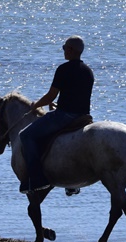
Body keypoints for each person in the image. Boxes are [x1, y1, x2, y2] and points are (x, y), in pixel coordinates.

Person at [19, 35, 95, 193]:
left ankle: (37, 178)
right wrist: (58, 104)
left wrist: (35, 105)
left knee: (26, 135)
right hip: (84, 116)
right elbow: (76, 95)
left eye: (64, 47)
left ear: (71, 50)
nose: (63, 51)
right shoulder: (88, 71)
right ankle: (72, 183)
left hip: (65, 115)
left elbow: (50, 96)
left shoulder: (63, 69)